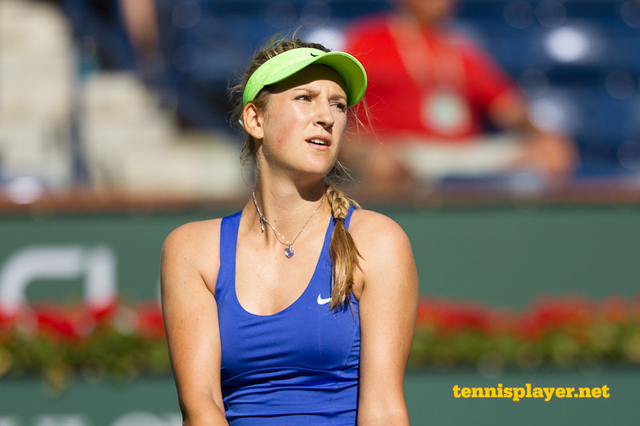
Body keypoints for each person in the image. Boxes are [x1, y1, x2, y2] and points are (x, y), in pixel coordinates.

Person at [160, 38, 419, 425]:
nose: (327, 117)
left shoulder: (378, 241)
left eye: (337, 104)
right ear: (255, 120)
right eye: (305, 98)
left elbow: (383, 411)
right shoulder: (191, 249)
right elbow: (201, 406)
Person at [342, 0, 578, 194]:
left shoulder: (460, 47)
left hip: (465, 150)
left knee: (553, 152)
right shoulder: (369, 39)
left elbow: (507, 108)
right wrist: (357, 144)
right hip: (404, 150)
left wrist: (540, 135)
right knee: (383, 165)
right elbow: (338, 100)